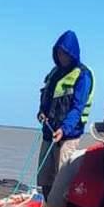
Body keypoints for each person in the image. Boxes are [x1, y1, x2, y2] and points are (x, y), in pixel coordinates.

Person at [36, 30, 94, 195]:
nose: (62, 57)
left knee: (61, 179)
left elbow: (78, 107)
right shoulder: (54, 73)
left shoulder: (83, 76)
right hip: (49, 131)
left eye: (65, 54)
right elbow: (46, 97)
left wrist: (64, 129)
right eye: (59, 54)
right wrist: (41, 112)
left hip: (68, 135)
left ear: (73, 54)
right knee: (44, 178)